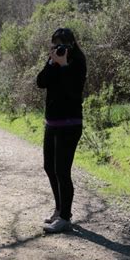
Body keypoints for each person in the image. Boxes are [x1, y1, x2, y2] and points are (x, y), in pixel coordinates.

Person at [36, 28, 87, 233]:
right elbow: (40, 82)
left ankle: (65, 218)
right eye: (55, 45)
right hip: (52, 123)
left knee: (62, 171)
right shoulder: (54, 61)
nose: (58, 48)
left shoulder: (78, 62)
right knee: (49, 167)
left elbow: (74, 92)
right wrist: (51, 62)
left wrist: (64, 65)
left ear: (71, 44)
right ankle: (59, 210)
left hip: (70, 124)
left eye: (61, 45)